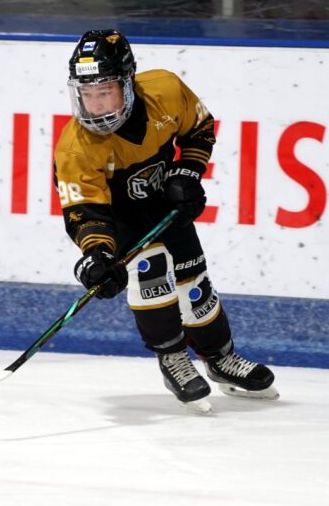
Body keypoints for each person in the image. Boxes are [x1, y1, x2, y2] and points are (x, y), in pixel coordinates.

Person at [53, 29, 278, 413]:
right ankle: (173, 358)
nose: (96, 105)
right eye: (86, 94)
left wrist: (188, 172)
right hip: (118, 215)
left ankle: (220, 358)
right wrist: (98, 255)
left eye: (105, 91)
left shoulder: (166, 90)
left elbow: (199, 128)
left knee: (195, 282)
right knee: (151, 271)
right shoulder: (75, 147)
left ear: (128, 83)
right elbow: (84, 210)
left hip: (162, 203)